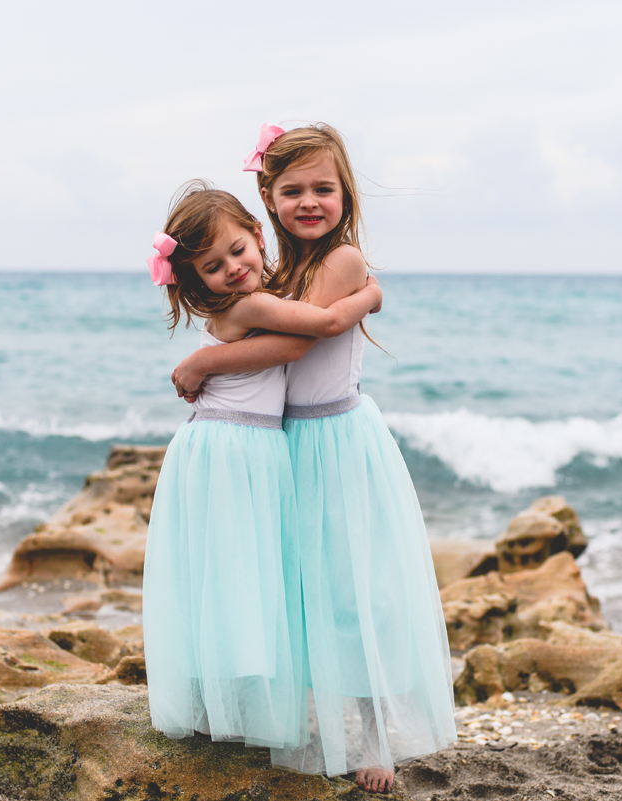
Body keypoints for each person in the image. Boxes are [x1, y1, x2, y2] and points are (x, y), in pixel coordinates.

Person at [171, 126, 456, 793]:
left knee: (353, 592)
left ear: (344, 192)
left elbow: (296, 346)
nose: (309, 202)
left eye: (323, 188)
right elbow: (259, 320)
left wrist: (205, 359)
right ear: (266, 199)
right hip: (284, 442)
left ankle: (376, 735)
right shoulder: (274, 271)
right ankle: (310, 718)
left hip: (335, 440)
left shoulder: (342, 262)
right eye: (292, 190)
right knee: (299, 593)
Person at [142, 182, 383, 754]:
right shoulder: (249, 304)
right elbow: (313, 333)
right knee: (232, 577)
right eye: (212, 266)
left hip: (240, 447)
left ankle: (215, 710)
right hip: (234, 448)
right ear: (195, 279)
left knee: (230, 577)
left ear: (257, 234)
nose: (231, 268)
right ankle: (220, 710)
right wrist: (371, 295)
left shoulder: (265, 290)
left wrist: (202, 360)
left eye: (237, 252)